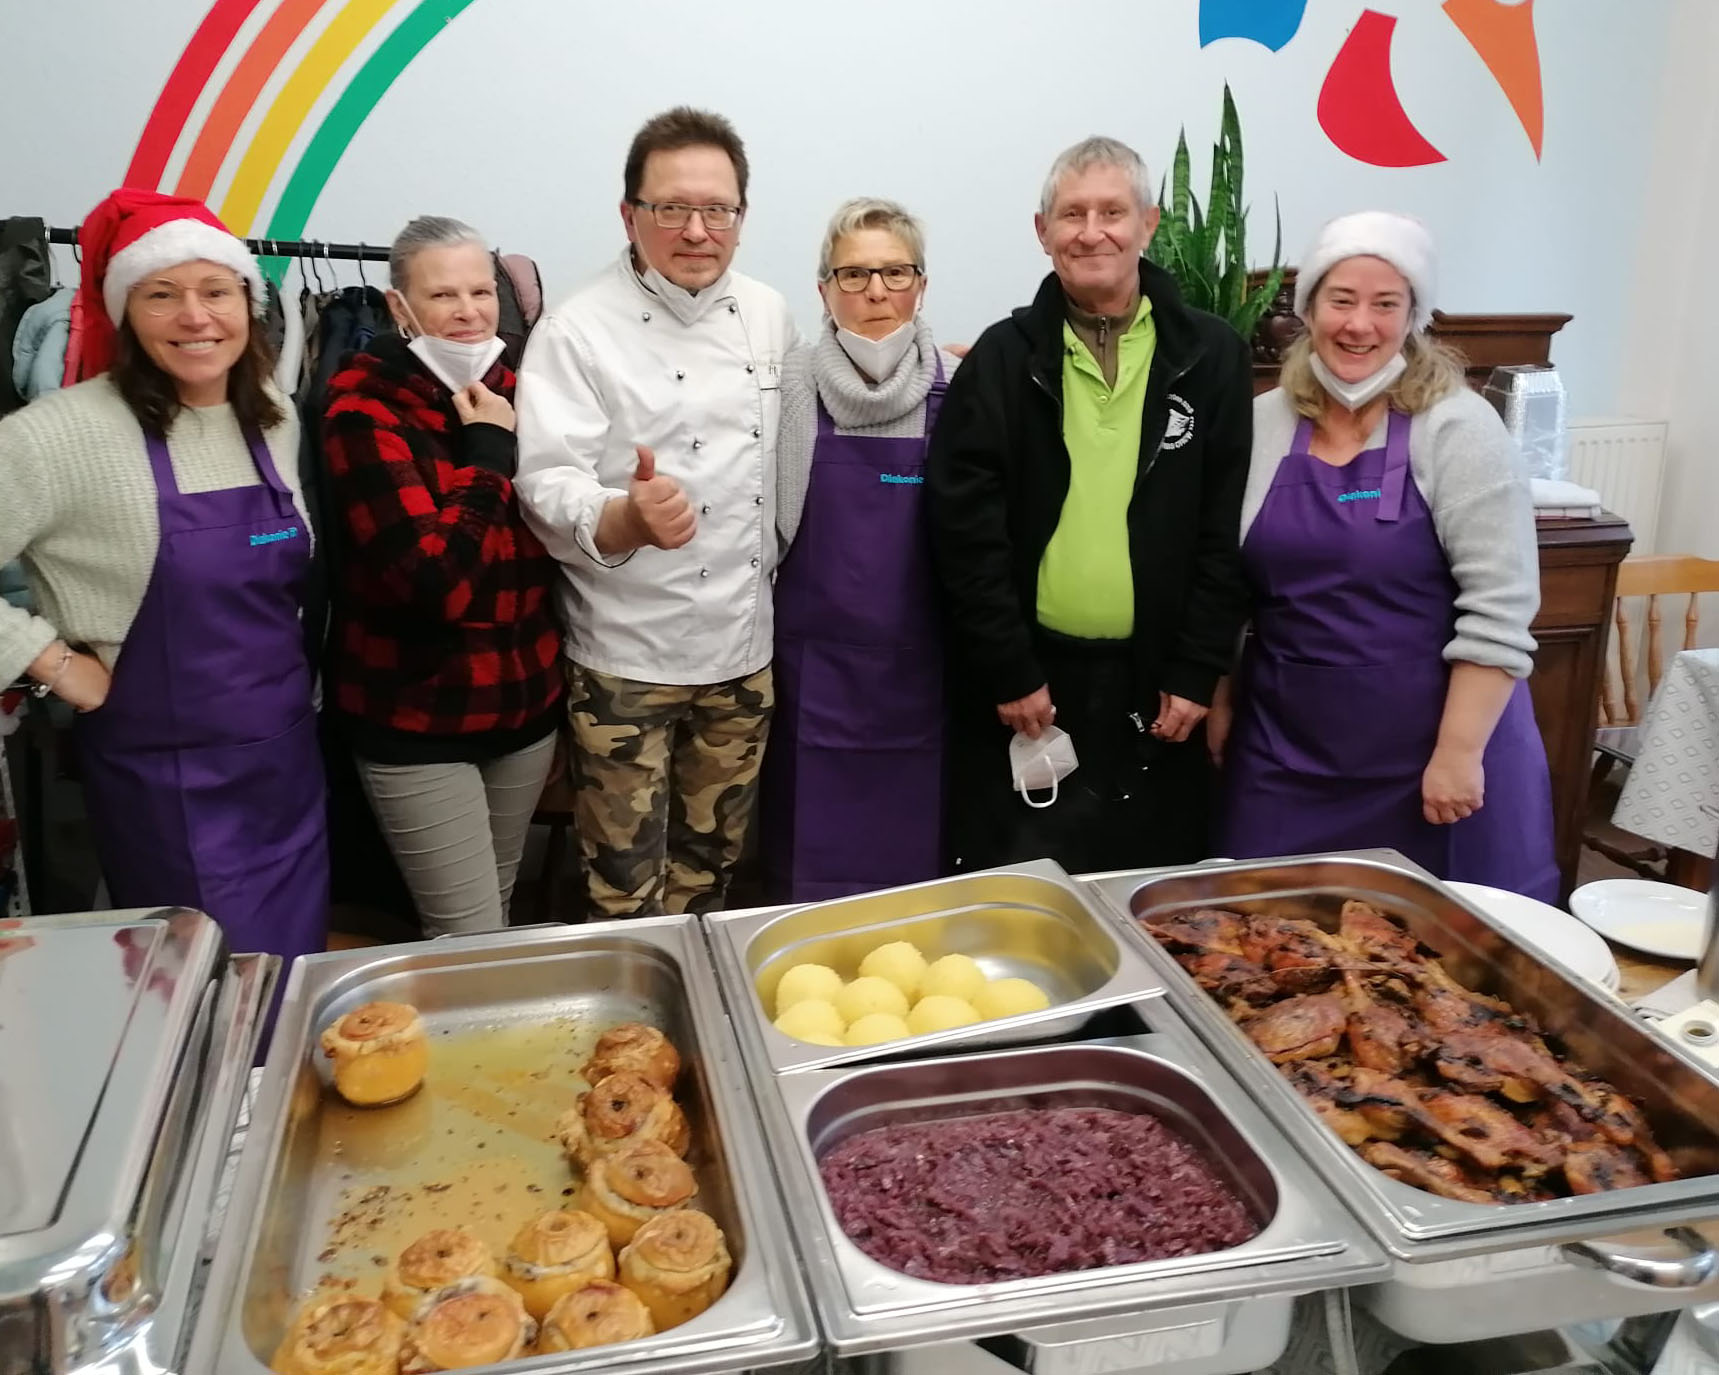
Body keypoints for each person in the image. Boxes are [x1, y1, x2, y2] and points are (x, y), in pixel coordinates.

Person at [0, 188, 325, 966]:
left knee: (288, 973)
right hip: (167, 785)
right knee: (206, 988)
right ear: (124, 311)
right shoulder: (62, 433)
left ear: (248, 301)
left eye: (216, 290)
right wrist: (46, 659)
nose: (196, 317)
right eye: (162, 294)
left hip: (284, 768)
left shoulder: (272, 415)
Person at [926, 136, 1252, 875]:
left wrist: (1198, 667)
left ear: (1150, 222)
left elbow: (1223, 528)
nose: (1091, 230)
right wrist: (1008, 669)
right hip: (1031, 687)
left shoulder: (1213, 357)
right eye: (1071, 214)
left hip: (1163, 687)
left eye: (1112, 211)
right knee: (1025, 900)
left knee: (1151, 891)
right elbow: (963, 535)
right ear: (1042, 233)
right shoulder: (1001, 362)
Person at [1212, 212, 1557, 899]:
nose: (1358, 325)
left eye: (1384, 304)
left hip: (1433, 751)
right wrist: (1222, 698)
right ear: (1308, 308)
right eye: (1339, 299)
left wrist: (1458, 753)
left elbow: (1499, 605)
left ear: (1413, 317)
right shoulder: (1262, 422)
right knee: (1261, 938)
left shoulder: (1457, 428)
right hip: (1287, 754)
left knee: (1447, 970)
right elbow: (1226, 584)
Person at [515, 107, 796, 919]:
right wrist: (623, 518)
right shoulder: (578, 327)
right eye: (670, 208)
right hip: (625, 657)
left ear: (742, 216)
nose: (696, 230)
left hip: (742, 651)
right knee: (623, 883)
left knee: (715, 873)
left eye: (718, 210)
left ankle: (703, 1027)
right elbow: (545, 479)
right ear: (629, 214)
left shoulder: (770, 314)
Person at [321, 216, 564, 937]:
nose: (468, 312)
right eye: (443, 295)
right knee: (467, 934)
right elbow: (436, 583)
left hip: (523, 711)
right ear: (399, 308)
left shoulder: (526, 385)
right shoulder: (360, 407)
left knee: (493, 905)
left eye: (482, 292)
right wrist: (487, 454)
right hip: (420, 722)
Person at [759, 198, 961, 902]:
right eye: (853, 274)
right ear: (823, 289)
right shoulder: (790, 387)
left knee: (908, 900)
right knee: (803, 886)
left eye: (894, 272)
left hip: (922, 686)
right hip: (812, 686)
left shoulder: (956, 390)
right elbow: (768, 539)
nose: (875, 291)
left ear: (921, 284)